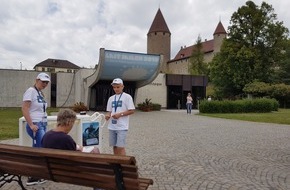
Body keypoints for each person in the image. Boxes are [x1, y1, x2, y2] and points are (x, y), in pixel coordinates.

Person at [22, 72, 50, 186]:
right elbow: (24, 108)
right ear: (37, 80)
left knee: (37, 149)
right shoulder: (31, 91)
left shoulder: (39, 92)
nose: (44, 84)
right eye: (43, 81)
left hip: (42, 123)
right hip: (36, 124)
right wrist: (31, 124)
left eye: (46, 82)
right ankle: (34, 176)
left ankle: (35, 174)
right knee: (40, 149)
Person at [105, 78, 135, 155]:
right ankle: (116, 163)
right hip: (112, 126)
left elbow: (132, 110)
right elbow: (109, 111)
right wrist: (108, 115)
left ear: (122, 86)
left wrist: (120, 114)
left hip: (122, 126)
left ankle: (123, 164)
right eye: (114, 87)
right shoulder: (111, 98)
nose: (116, 89)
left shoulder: (127, 97)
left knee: (120, 147)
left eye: (118, 87)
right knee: (114, 146)